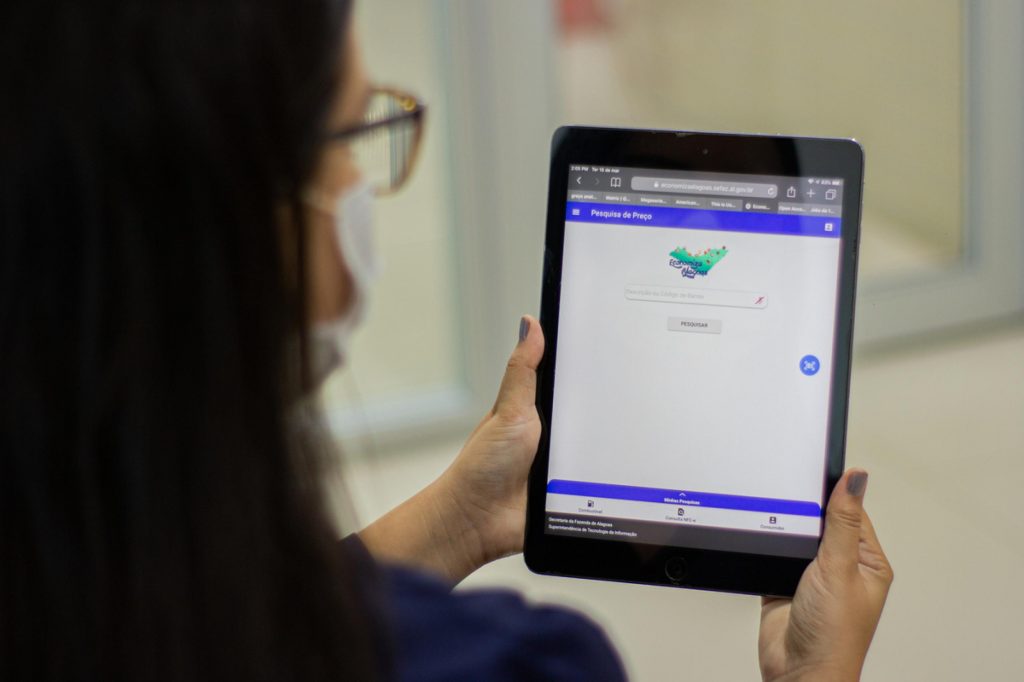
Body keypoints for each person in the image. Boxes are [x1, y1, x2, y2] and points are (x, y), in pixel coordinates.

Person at [0, 1, 893, 680]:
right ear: (235, 217)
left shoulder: (84, 594)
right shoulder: (515, 664)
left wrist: (464, 516)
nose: (363, 186)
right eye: (355, 137)